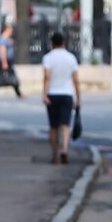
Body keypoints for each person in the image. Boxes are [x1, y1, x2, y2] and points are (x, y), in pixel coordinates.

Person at [42, 32, 81, 164]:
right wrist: (78, 98)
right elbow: (76, 80)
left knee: (53, 127)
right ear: (63, 42)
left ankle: (55, 155)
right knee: (65, 125)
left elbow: (47, 77)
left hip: (52, 95)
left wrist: (44, 94)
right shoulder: (71, 58)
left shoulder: (48, 58)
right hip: (67, 94)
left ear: (52, 43)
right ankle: (64, 149)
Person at [0, 23, 22, 98]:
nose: (11, 31)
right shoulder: (3, 39)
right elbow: (2, 50)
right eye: (10, 30)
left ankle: (19, 93)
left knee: (9, 76)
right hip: (5, 61)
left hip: (7, 61)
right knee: (2, 76)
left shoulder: (6, 39)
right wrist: (4, 62)